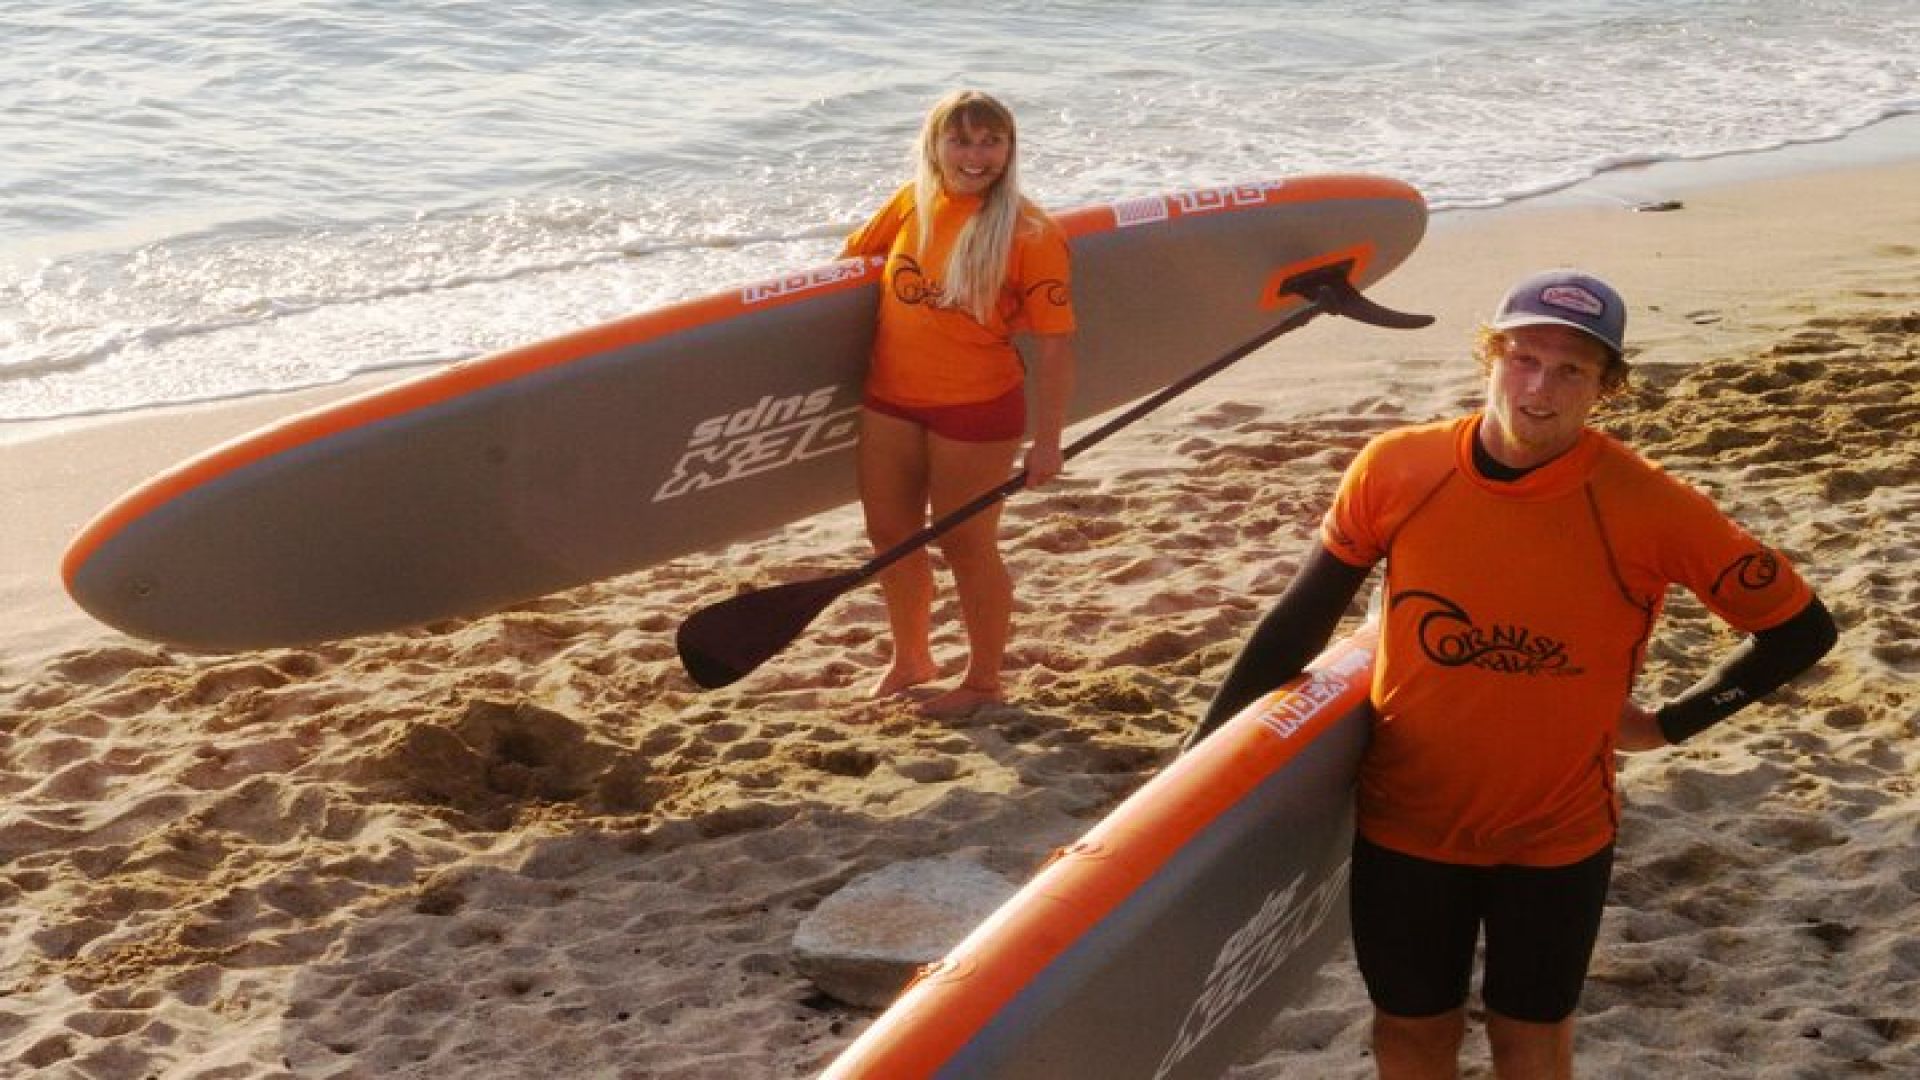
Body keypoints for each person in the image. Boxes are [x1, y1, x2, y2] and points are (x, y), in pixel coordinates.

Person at [1186, 269, 1837, 1078]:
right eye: (1523, 358)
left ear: (1606, 387)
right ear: (1489, 356)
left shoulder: (1651, 506)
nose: (1540, 389)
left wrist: (1669, 726)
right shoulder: (1397, 468)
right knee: (1412, 1030)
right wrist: (1190, 774)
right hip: (1405, 827)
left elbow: (1800, 630)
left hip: (1556, 841)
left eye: (1572, 370)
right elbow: (1296, 625)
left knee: (1529, 1040)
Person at [840, 90, 1077, 715]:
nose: (976, 156)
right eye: (962, 140)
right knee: (891, 536)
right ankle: (911, 657)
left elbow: (1055, 347)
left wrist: (1047, 440)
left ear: (1009, 149)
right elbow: (849, 268)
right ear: (934, 145)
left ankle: (982, 682)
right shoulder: (909, 205)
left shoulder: (1031, 232)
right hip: (889, 398)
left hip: (977, 407)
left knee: (967, 546)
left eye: (991, 141)